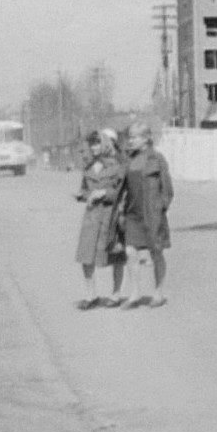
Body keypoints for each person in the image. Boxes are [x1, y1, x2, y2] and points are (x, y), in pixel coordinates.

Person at [118, 121, 174, 309]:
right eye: (130, 137)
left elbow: (168, 191)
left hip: (152, 215)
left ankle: (158, 293)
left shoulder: (157, 159)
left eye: (134, 137)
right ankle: (135, 294)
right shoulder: (128, 160)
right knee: (130, 252)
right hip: (132, 214)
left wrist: (160, 209)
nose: (130, 141)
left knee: (156, 252)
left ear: (146, 139)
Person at [73, 129, 127, 310]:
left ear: (105, 144)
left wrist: (103, 192)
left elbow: (121, 192)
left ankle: (116, 294)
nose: (93, 147)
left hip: (110, 216)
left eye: (97, 143)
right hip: (91, 216)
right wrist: (82, 195)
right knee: (86, 254)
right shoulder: (88, 168)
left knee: (115, 254)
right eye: (91, 143)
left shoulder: (117, 166)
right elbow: (86, 190)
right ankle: (91, 295)